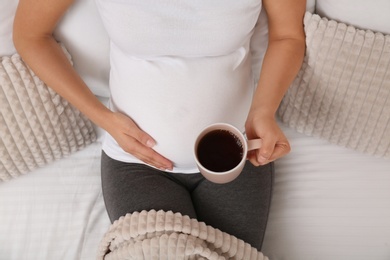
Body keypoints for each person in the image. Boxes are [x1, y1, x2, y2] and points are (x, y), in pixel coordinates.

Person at [13, 0, 306, 251]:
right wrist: (103, 118)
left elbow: (287, 36)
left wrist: (264, 111)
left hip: (240, 157)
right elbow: (30, 35)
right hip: (135, 165)